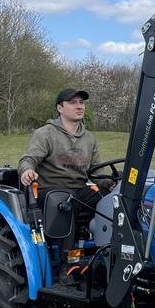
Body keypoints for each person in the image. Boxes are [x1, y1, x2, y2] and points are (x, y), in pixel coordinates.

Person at [18, 88, 114, 228]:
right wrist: (27, 170)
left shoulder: (89, 138)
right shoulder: (46, 133)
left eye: (81, 102)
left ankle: (106, 246)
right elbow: (28, 159)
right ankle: (66, 250)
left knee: (112, 201)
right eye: (73, 102)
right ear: (60, 108)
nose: (79, 106)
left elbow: (96, 173)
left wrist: (110, 182)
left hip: (79, 190)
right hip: (51, 191)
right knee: (67, 199)